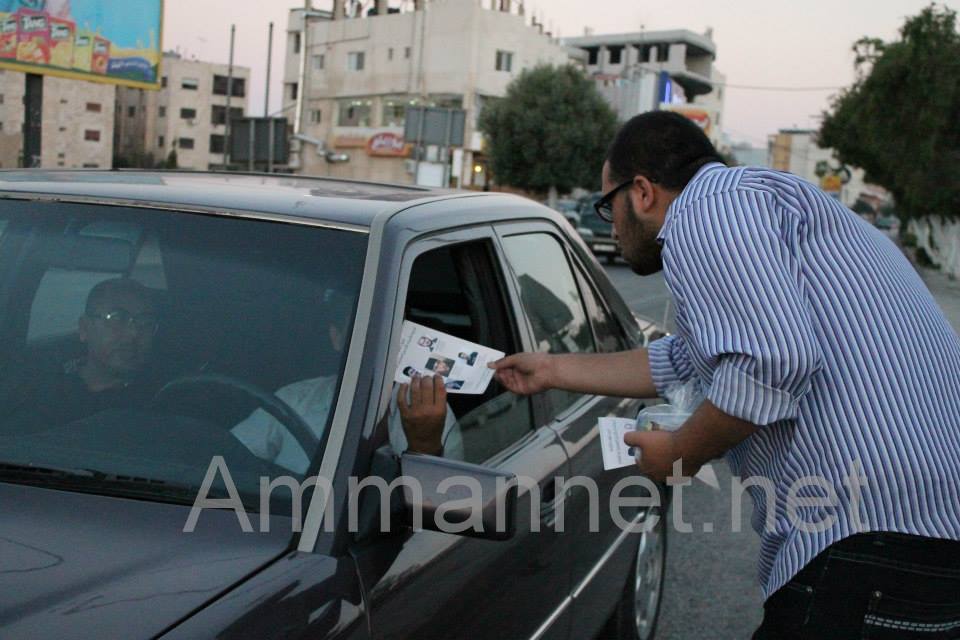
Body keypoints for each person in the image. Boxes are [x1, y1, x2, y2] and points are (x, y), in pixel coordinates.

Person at [490, 111, 960, 638]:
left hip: (867, 535)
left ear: (641, 192)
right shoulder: (767, 204)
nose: (612, 227)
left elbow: (772, 360)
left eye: (608, 206)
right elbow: (685, 361)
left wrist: (680, 453)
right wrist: (551, 368)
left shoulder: (708, 207)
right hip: (926, 536)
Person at [231, 296, 462, 474]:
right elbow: (232, 458)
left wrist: (425, 444)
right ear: (336, 337)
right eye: (362, 331)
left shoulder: (430, 408)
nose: (377, 344)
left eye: (390, 333)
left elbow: (444, 501)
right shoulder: (294, 399)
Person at [7, 277, 161, 430]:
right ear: (84, 328)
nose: (133, 333)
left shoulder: (160, 400)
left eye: (146, 323)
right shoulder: (40, 389)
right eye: (117, 318)